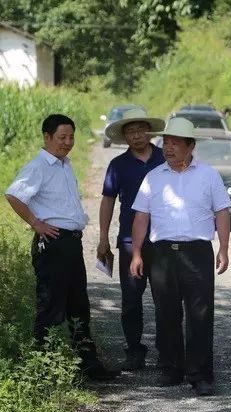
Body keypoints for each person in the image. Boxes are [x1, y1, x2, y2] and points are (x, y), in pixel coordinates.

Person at [5, 114, 119, 381]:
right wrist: (35, 223)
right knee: (50, 308)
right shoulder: (39, 166)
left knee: (79, 306)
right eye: (61, 138)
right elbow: (13, 195)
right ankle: (41, 370)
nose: (67, 143)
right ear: (47, 137)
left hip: (71, 243)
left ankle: (87, 366)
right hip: (53, 244)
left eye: (71, 137)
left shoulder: (65, 165)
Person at [129, 117, 231, 396]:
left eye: (175, 143)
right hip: (162, 254)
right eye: (166, 142)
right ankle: (171, 368)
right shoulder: (154, 177)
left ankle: (200, 374)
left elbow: (222, 212)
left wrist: (223, 247)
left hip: (197, 252)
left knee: (200, 313)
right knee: (166, 313)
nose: (169, 148)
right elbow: (141, 217)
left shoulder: (208, 175)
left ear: (191, 146)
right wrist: (136, 253)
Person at [97, 108, 166, 371]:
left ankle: (166, 352)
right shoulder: (118, 165)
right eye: (130, 132)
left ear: (148, 131)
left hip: (163, 240)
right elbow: (107, 201)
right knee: (131, 300)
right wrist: (103, 237)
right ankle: (134, 351)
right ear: (124, 137)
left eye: (140, 130)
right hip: (128, 241)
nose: (136, 136)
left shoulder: (165, 158)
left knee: (165, 299)